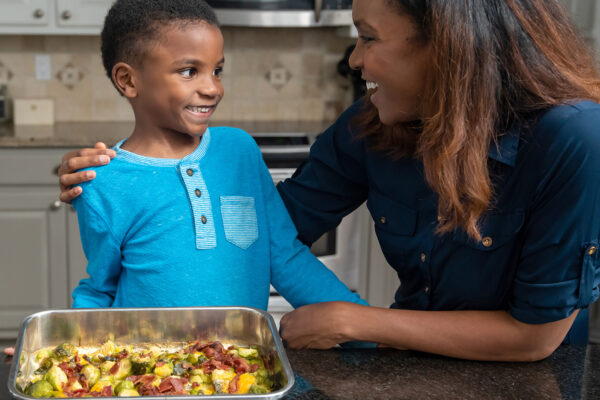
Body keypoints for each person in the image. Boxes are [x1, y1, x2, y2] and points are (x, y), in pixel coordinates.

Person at [58, 0, 600, 361]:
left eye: (367, 37)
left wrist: (354, 323)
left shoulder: (575, 138)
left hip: (526, 377)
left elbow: (537, 336)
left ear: (450, 47)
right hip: (404, 365)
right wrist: (130, 181)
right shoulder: (371, 124)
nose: (355, 59)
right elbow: (272, 232)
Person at [63, 0, 368, 315]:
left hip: (239, 361)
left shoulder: (239, 151)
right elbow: (99, 289)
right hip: (148, 363)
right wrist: (57, 345)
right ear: (128, 80)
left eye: (217, 70)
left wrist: (370, 330)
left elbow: (285, 257)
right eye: (189, 71)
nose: (212, 88)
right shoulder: (104, 183)